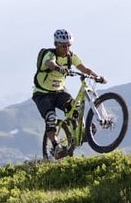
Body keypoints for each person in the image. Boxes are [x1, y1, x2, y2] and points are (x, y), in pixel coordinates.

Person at [32, 29, 105, 159]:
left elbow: (84, 69)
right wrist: (58, 67)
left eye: (68, 45)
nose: (66, 48)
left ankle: (77, 134)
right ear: (56, 44)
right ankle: (55, 146)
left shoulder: (71, 57)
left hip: (59, 92)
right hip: (42, 94)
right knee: (51, 118)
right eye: (63, 46)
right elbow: (49, 63)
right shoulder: (49, 54)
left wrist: (97, 77)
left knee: (75, 109)